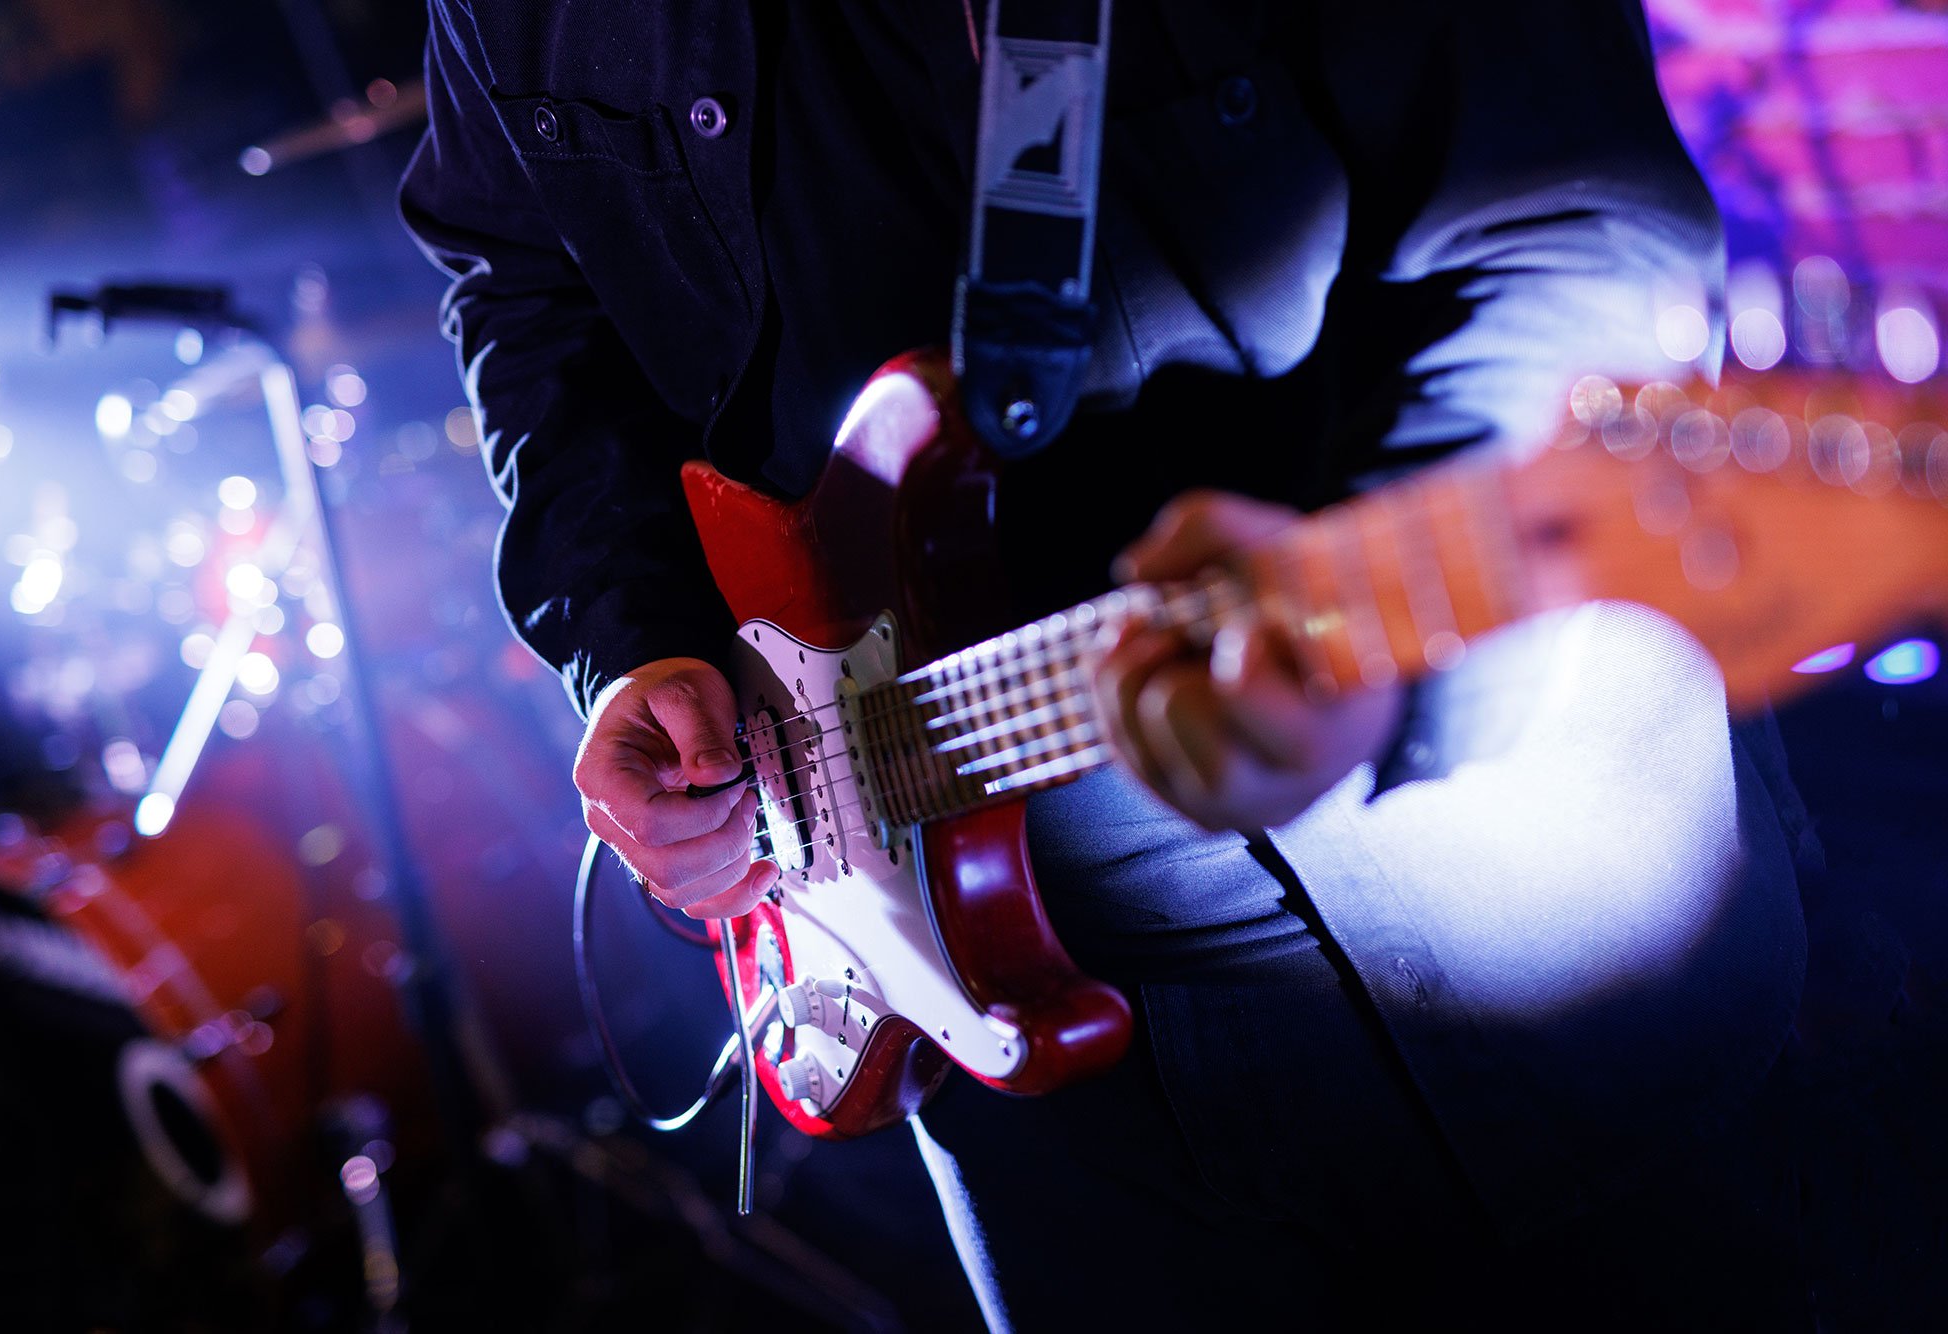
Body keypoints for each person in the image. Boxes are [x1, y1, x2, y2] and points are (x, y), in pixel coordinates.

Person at [402, 2, 1813, 1327]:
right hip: (995, 1034)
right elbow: (523, 285)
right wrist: (628, 637)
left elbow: (1579, 219)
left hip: (1502, 911)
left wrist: (1381, 641)